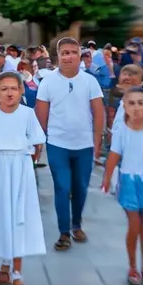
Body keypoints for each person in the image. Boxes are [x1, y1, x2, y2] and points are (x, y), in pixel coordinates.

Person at [0, 72, 46, 285]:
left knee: (18, 218)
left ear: (21, 90)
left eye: (13, 88)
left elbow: (37, 143)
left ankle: (17, 272)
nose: (9, 93)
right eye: (4, 89)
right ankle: (4, 262)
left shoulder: (27, 114)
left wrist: (29, 164)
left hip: (20, 167)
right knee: (1, 216)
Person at [34, 38, 104, 252]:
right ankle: (64, 232)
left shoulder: (89, 81)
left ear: (79, 55)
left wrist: (97, 141)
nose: (68, 56)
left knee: (80, 188)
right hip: (58, 144)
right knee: (62, 187)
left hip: (83, 145)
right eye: (64, 53)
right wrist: (38, 143)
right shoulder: (47, 82)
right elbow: (41, 116)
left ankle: (77, 225)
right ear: (58, 56)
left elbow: (99, 113)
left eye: (73, 52)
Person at [101, 87, 143, 285]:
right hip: (128, 180)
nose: (137, 107)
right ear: (125, 108)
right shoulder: (122, 129)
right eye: (131, 103)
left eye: (141, 103)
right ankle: (132, 266)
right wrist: (107, 177)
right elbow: (114, 154)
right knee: (134, 225)